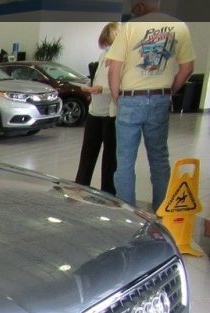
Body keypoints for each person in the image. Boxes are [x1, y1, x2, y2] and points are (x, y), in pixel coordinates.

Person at [106, 0, 194, 211]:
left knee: (125, 162)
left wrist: (118, 97)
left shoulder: (130, 27)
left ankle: (129, 214)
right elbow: (188, 68)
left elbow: (114, 68)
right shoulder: (179, 27)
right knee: (159, 160)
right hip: (160, 98)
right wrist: (169, 91)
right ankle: (161, 213)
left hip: (130, 98)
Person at [75, 22, 120, 194]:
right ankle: (79, 187)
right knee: (87, 154)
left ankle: (108, 193)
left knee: (110, 158)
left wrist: (104, 89)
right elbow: (98, 78)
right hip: (95, 110)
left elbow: (120, 85)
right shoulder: (103, 56)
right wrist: (91, 86)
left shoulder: (120, 58)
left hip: (110, 114)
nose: (108, 47)